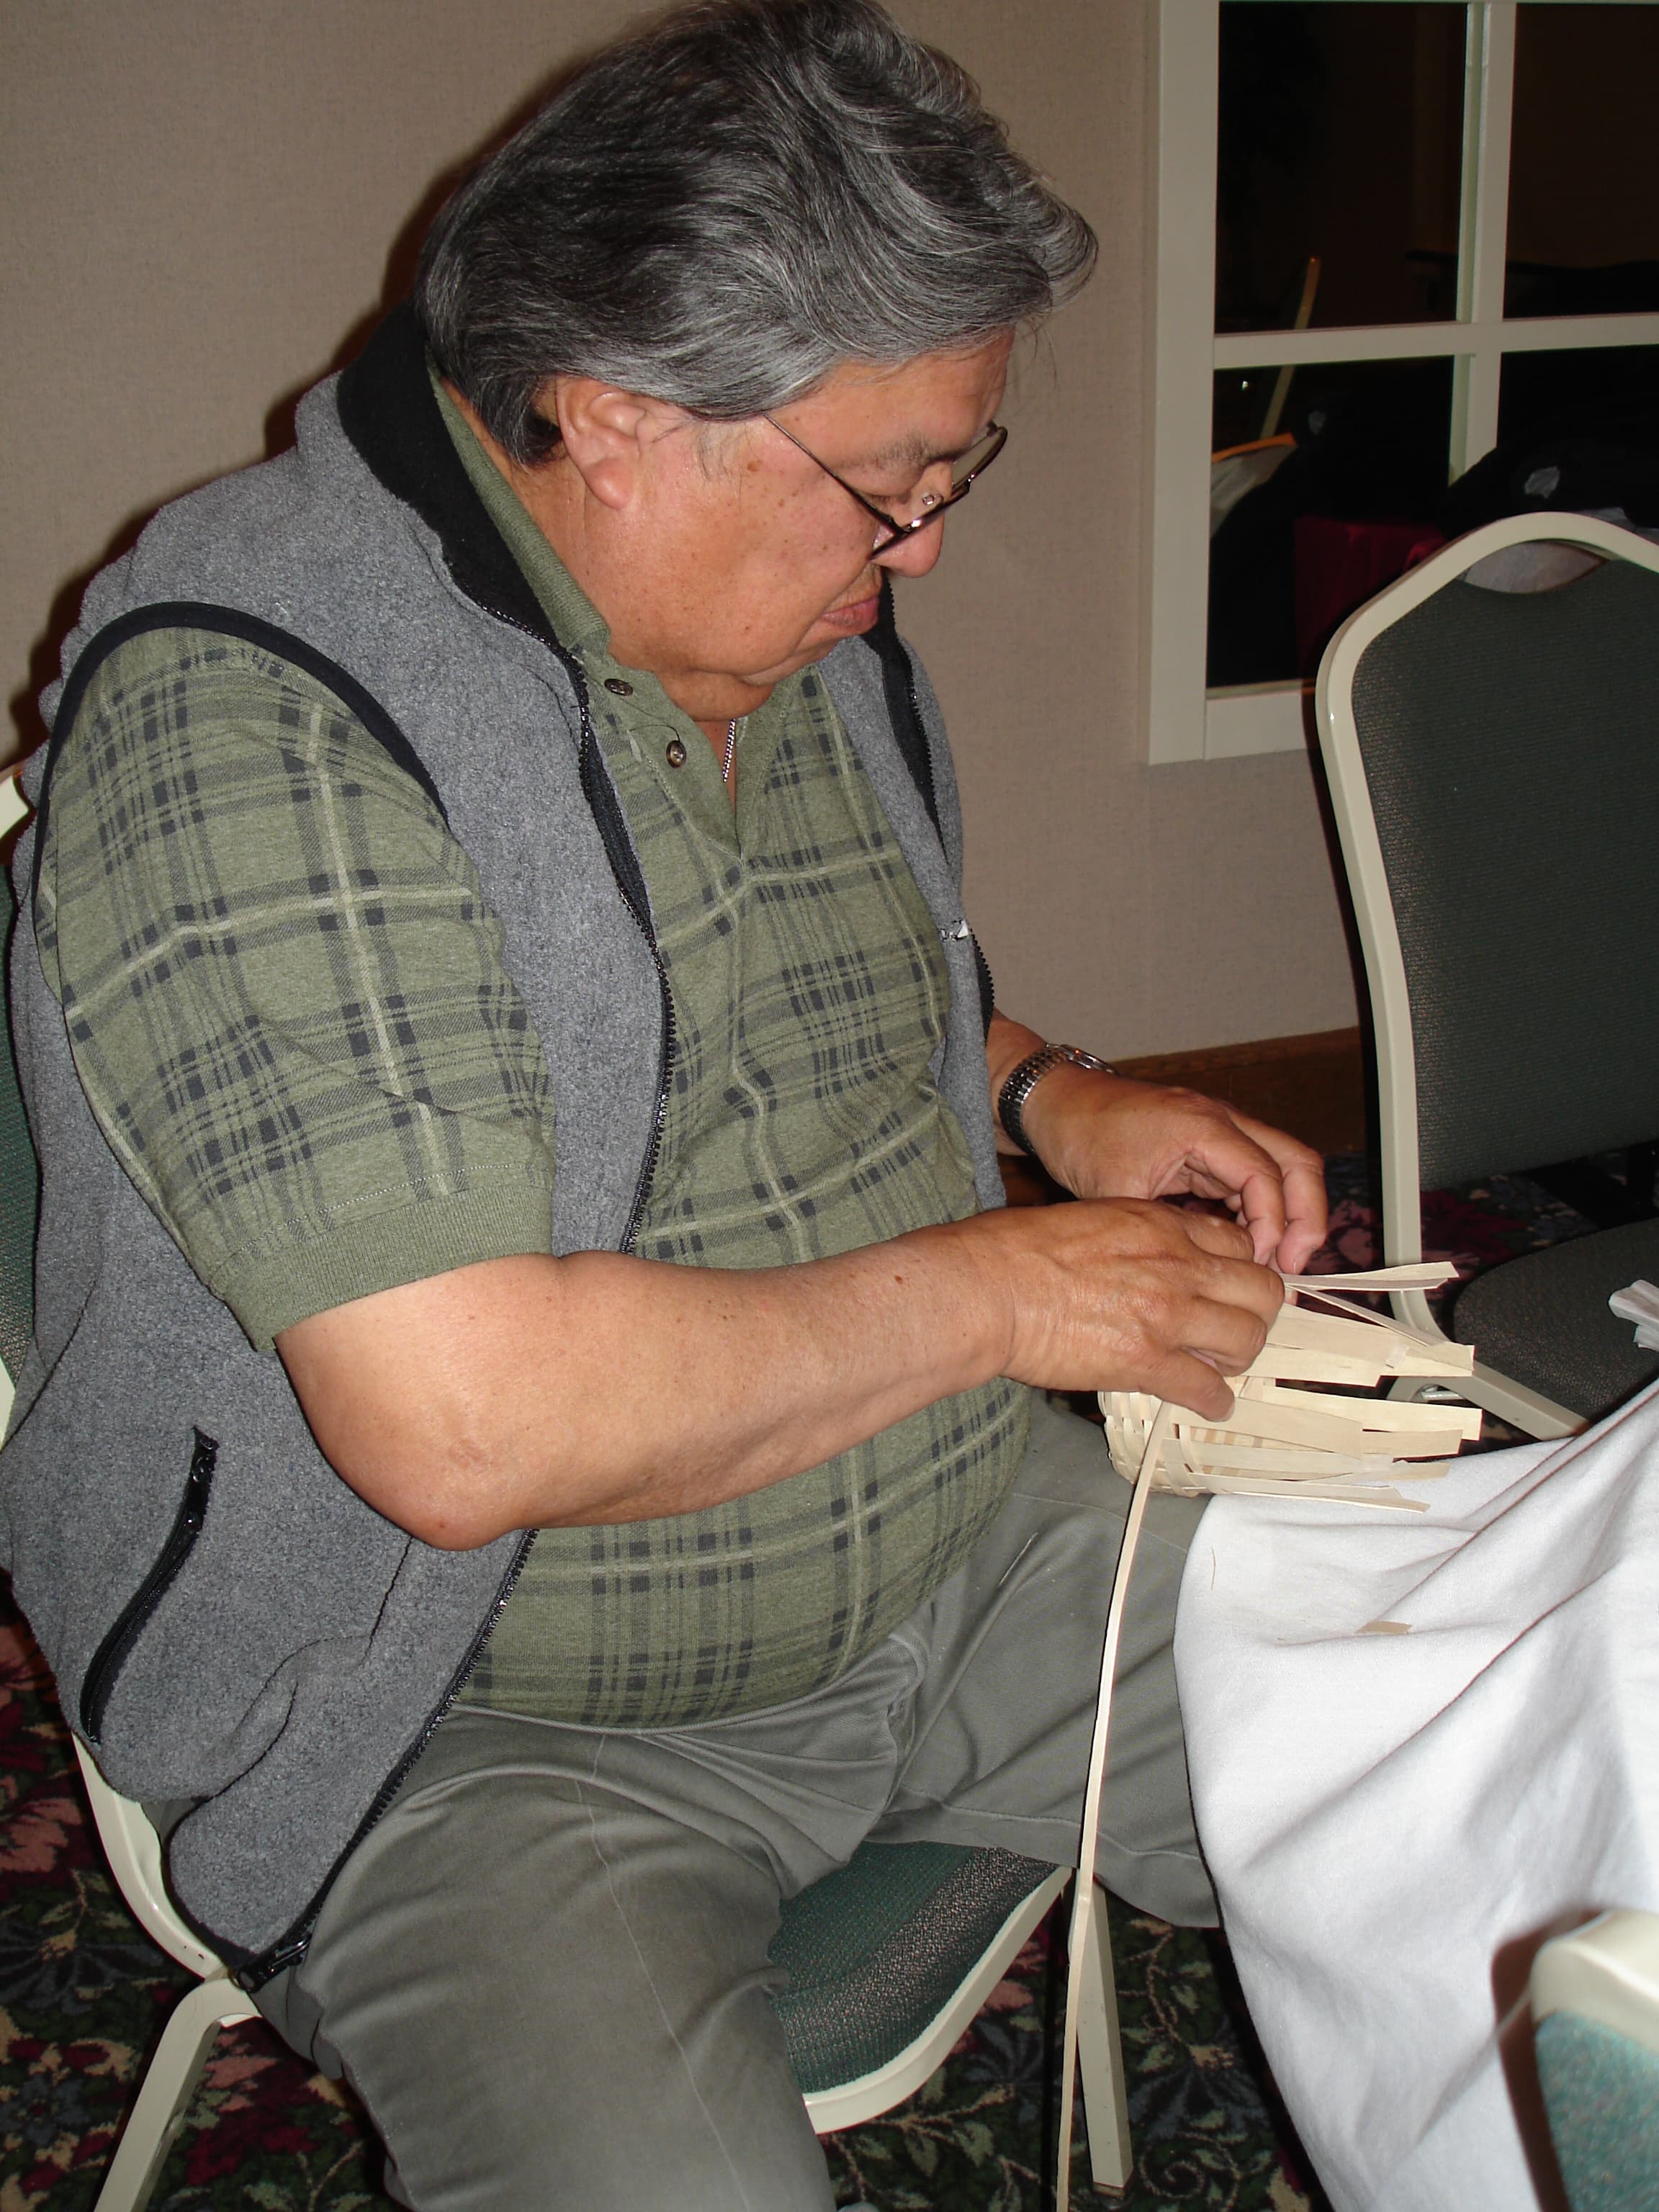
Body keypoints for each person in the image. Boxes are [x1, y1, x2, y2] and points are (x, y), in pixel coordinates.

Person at [1, 3, 1326, 2204]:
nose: (924, 553)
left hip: (949, 1543)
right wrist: (1007, 1301)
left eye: (946, 476)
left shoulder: (767, 607)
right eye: (894, 481)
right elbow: (466, 1429)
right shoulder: (253, 711)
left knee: (1497, 1738)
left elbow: (771, 982)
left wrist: (1046, 1090)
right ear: (617, 421)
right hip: (482, 1723)